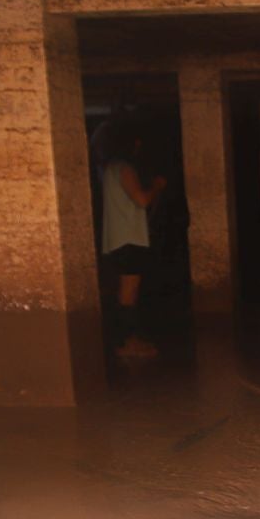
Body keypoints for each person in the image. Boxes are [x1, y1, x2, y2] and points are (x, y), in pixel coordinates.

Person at [93, 116, 166, 361]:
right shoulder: (124, 168)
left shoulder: (109, 169)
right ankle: (125, 343)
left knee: (126, 293)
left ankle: (128, 339)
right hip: (129, 239)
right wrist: (156, 187)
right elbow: (142, 200)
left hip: (119, 238)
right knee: (128, 294)